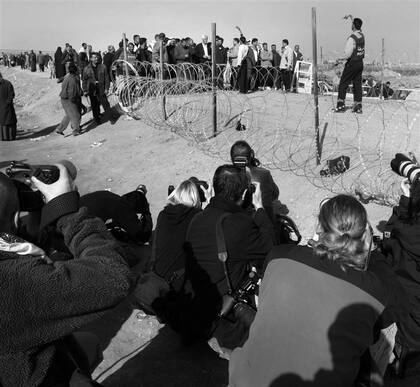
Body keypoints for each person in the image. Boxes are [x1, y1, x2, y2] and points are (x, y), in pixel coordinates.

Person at [229, 194, 408, 387]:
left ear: (317, 228)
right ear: (364, 236)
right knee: (377, 342)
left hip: (245, 380)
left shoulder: (278, 256)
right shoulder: (371, 289)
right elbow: (399, 304)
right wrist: (372, 251)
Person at [0, 165, 135, 386]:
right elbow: (114, 276)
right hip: (38, 376)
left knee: (88, 343)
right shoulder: (15, 282)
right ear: (16, 219)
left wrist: (35, 211)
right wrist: (68, 210)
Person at [184, 164, 275, 347]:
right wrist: (259, 208)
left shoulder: (197, 219)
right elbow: (270, 247)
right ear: (243, 195)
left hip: (195, 309)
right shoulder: (238, 224)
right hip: (227, 323)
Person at [381, 176, 420, 372]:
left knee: (408, 342)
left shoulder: (405, 231)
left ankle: (401, 367)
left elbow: (388, 237)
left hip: (407, 297)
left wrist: (405, 202)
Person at [230, 141, 279, 221]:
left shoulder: (227, 177)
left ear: (232, 159)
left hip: (239, 224)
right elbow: (275, 194)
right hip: (266, 221)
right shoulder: (264, 174)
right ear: (251, 155)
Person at [335, 17, 365, 114]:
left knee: (343, 84)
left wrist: (340, 59)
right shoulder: (361, 35)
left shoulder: (352, 38)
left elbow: (348, 53)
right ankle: (358, 106)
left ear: (353, 26)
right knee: (357, 85)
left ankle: (340, 105)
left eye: (352, 24)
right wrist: (351, 17)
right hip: (360, 63)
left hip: (352, 63)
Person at [82, 52, 116, 125]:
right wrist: (85, 90)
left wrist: (107, 88)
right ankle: (97, 119)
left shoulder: (103, 67)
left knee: (105, 104)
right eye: (94, 57)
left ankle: (111, 118)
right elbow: (84, 80)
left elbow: (107, 78)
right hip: (92, 89)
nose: (96, 59)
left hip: (101, 88)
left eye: (97, 57)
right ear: (90, 59)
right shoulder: (86, 69)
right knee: (94, 105)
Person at [55, 62, 82, 136]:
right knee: (75, 114)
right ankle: (75, 130)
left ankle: (60, 129)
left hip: (64, 98)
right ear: (75, 71)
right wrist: (75, 101)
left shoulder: (68, 76)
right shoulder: (72, 79)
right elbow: (72, 92)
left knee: (69, 114)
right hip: (69, 99)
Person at [0, 72, 17, 141]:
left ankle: (10, 137)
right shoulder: (7, 83)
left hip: (7, 107)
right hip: (2, 108)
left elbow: (11, 94)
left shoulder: (7, 83)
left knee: (9, 122)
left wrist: (7, 103)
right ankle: (3, 138)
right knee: (2, 123)